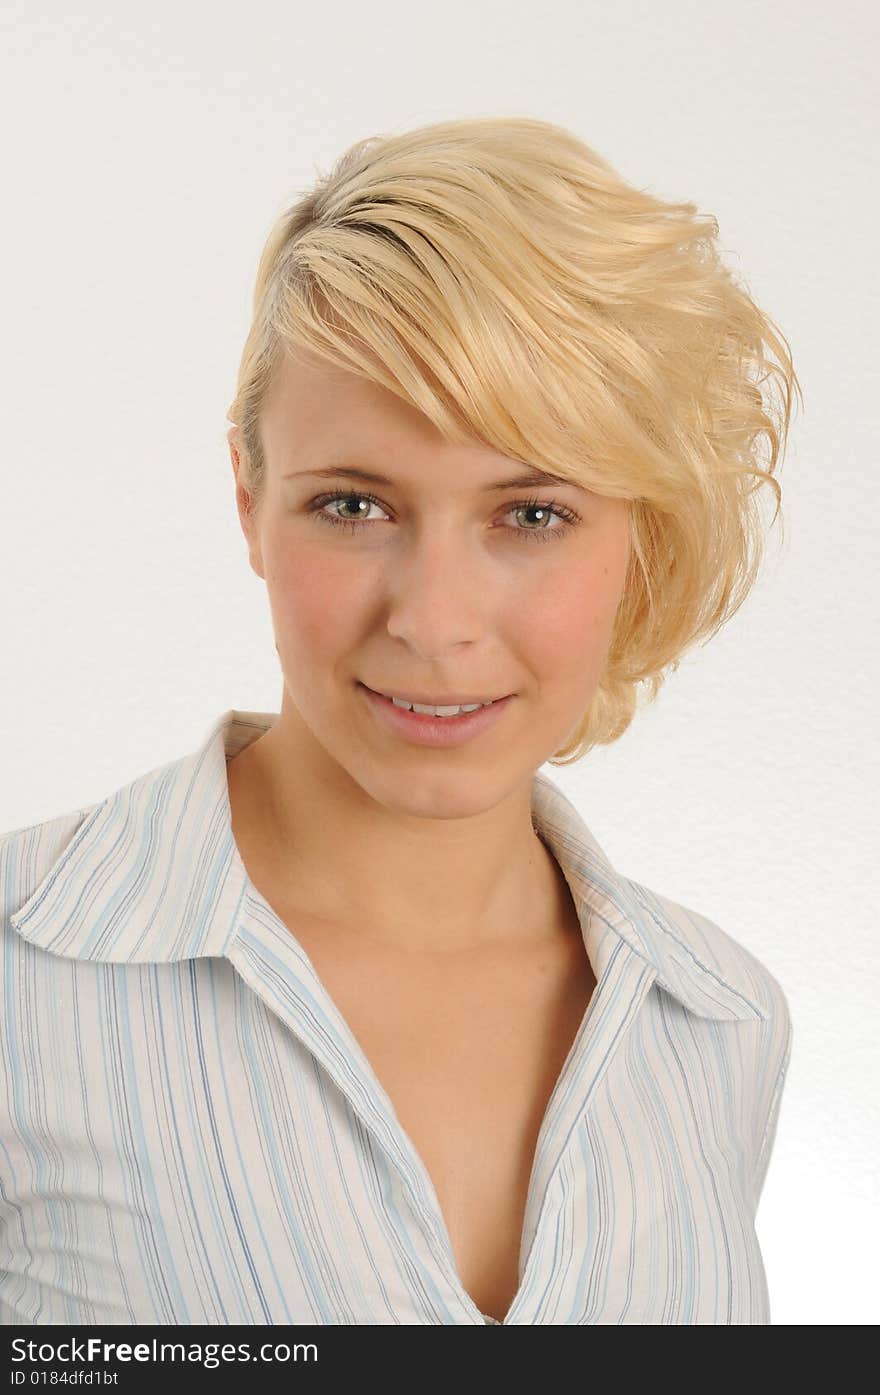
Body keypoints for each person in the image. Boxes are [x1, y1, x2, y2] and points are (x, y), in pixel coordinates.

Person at [0, 115, 799, 1325]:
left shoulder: (719, 1026)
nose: (434, 621)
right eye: (353, 503)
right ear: (247, 499)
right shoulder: (24, 978)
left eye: (529, 515)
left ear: (642, 534)